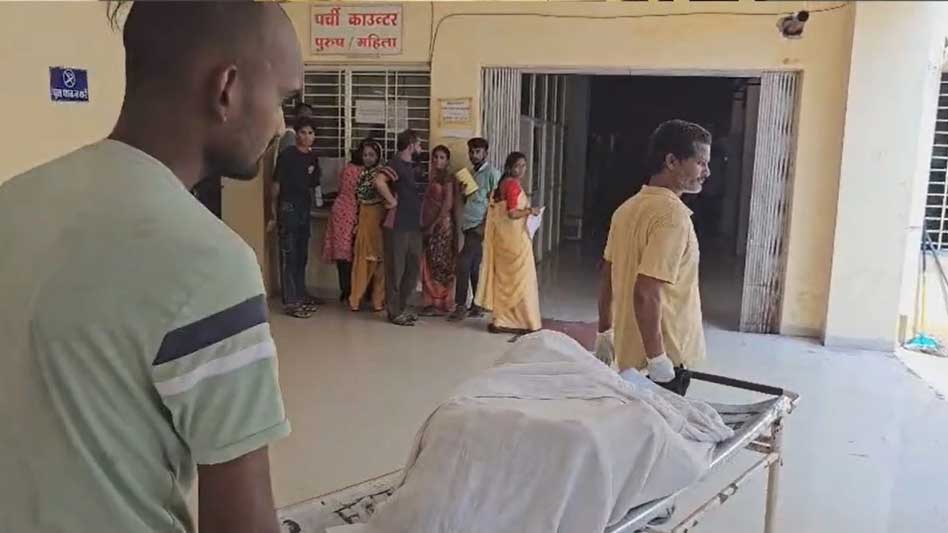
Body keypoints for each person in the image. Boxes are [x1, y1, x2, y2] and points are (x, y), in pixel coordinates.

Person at [0, 3, 300, 533]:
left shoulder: (13, 201)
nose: (280, 124)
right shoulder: (210, 263)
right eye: (281, 99)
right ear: (227, 88)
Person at [596, 119, 712, 397]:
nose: (707, 172)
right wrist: (658, 359)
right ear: (671, 161)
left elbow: (607, 275)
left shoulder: (626, 209)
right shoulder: (673, 217)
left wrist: (604, 331)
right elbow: (646, 292)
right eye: (700, 163)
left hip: (630, 355)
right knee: (660, 424)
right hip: (664, 358)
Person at [475, 152, 543, 335]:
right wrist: (530, 211)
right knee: (522, 280)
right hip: (516, 242)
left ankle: (501, 320)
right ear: (509, 167)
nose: (521, 169)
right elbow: (512, 213)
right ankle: (523, 321)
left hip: (503, 241)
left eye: (523, 166)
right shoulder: (512, 185)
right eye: (517, 166)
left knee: (504, 281)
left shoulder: (502, 184)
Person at [449, 137, 502, 322]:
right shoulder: (471, 174)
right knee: (473, 266)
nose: (474, 155)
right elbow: (470, 200)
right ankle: (478, 304)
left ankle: (460, 305)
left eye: (478, 151)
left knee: (463, 263)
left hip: (479, 226)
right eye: (471, 152)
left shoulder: (492, 174)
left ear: (486, 152)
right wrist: (463, 193)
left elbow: (496, 203)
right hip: (468, 224)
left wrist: (484, 225)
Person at [272, 117, 321, 318]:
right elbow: (275, 185)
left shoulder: (313, 158)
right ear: (296, 134)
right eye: (303, 132)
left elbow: (315, 184)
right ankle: (291, 302)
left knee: (302, 256)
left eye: (310, 133)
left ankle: (300, 296)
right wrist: (273, 212)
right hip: (288, 208)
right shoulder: (287, 155)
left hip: (304, 209)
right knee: (290, 256)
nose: (307, 137)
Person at [376, 129, 424, 327]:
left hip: (414, 224)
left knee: (412, 269)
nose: (421, 148)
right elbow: (379, 181)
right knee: (396, 269)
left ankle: (402, 307)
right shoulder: (395, 163)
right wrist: (391, 201)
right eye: (419, 144)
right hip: (397, 224)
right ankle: (394, 312)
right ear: (411, 144)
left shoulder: (412, 166)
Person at [323, 142, 364, 303]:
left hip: (339, 209)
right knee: (354, 254)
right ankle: (354, 291)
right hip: (353, 210)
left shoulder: (347, 169)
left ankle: (345, 290)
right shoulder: (363, 172)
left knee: (342, 253)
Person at [420, 145, 458, 315]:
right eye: (435, 157)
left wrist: (434, 224)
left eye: (442, 157)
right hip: (430, 224)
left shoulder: (448, 178)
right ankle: (431, 301)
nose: (437, 160)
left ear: (447, 160)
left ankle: (441, 302)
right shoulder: (432, 176)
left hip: (441, 226)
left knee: (441, 263)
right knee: (430, 261)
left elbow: (447, 204)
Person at [349, 140, 386, 312]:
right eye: (365, 155)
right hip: (364, 218)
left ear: (378, 156)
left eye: (372, 155)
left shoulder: (381, 175)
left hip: (378, 218)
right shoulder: (363, 173)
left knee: (379, 263)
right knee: (362, 261)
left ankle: (378, 301)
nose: (368, 158)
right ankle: (355, 300)